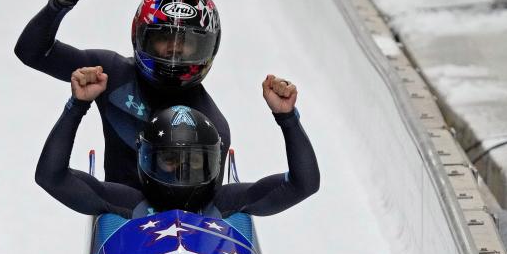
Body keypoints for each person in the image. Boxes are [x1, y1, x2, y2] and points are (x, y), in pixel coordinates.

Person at [15, 0, 229, 188]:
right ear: (141, 36)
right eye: (164, 37)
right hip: (117, 211)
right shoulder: (110, 74)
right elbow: (32, 52)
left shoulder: (215, 126)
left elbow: (208, 207)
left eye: (187, 42)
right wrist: (62, 1)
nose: (174, 50)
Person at [35, 67, 319, 219]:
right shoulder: (124, 202)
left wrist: (287, 118)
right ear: (148, 162)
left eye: (194, 161)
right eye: (170, 160)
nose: (182, 171)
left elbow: (302, 184)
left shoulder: (226, 203)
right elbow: (51, 177)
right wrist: (76, 106)